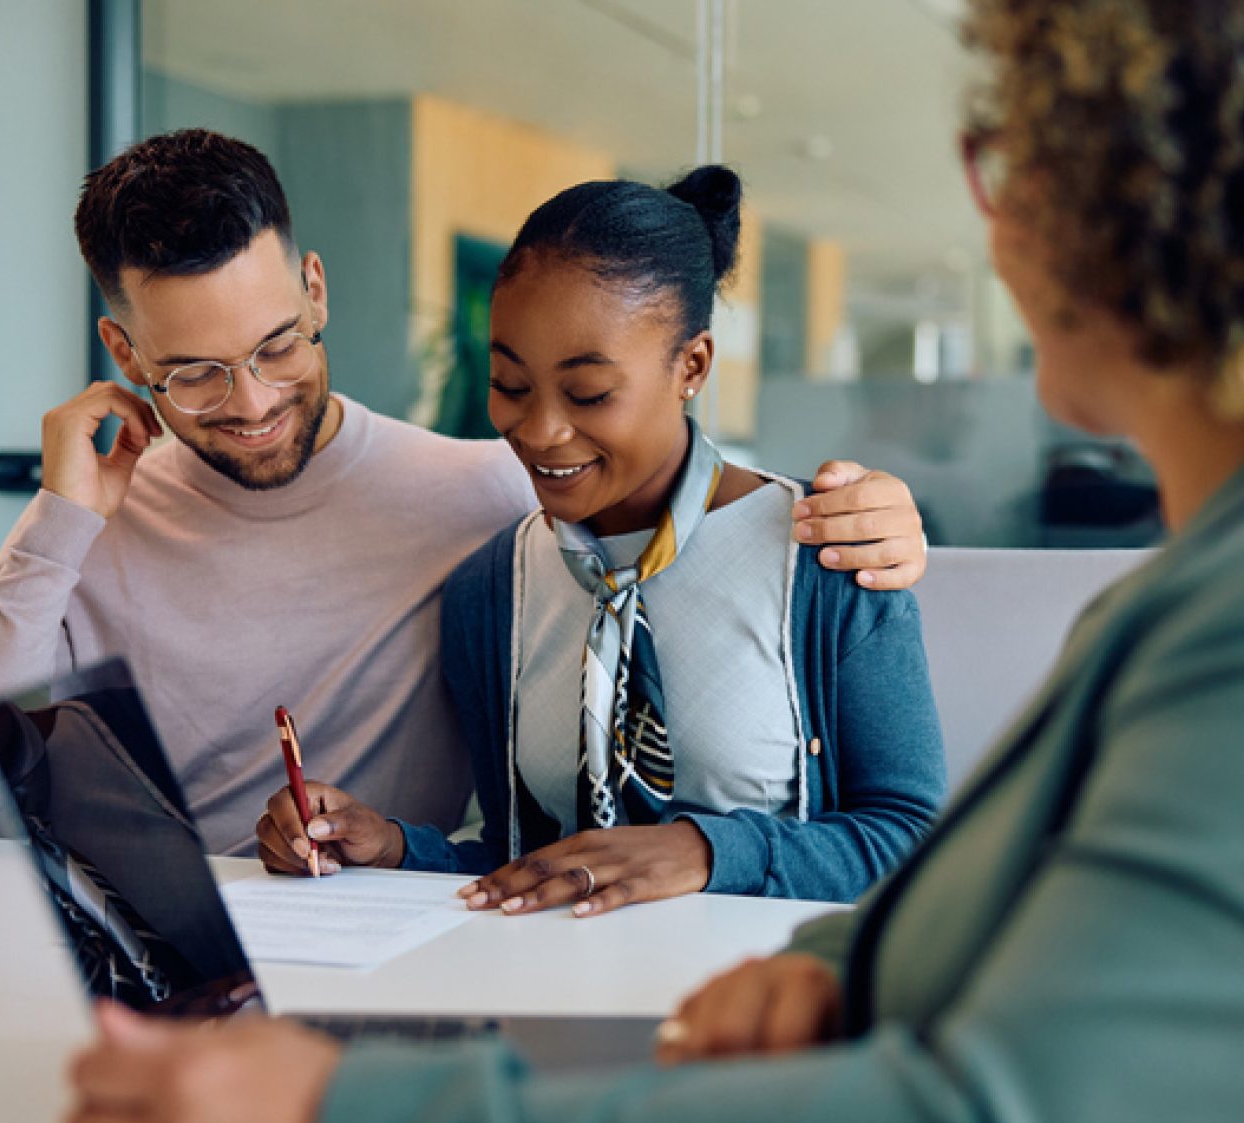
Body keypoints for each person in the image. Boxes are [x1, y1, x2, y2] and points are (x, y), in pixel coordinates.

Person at [68, 1, 1244, 1123]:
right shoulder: (1222, 585)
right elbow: (1037, 913)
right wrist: (837, 973)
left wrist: (342, 1107)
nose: (998, 218)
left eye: (1012, 162)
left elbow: (998, 1108)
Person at [0, 128, 930, 854]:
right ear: (122, 350)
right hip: (176, 973)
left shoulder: (490, 497)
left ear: (316, 290)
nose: (252, 402)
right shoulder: (90, 525)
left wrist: (875, 515)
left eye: (278, 344)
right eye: (192, 371)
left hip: (393, 973)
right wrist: (58, 526)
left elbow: (664, 482)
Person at [254, 168, 947, 912]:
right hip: (567, 1001)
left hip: (767, 1003)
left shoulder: (827, 553)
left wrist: (705, 851)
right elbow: (526, 860)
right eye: (510, 385)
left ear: (693, 366)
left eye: (588, 394)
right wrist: (391, 846)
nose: (541, 430)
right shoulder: (493, 590)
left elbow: (915, 842)